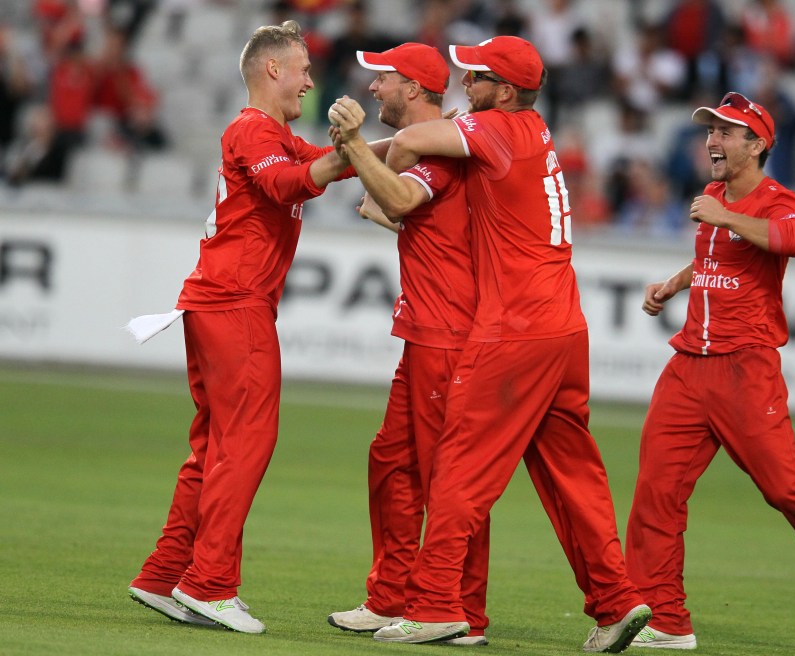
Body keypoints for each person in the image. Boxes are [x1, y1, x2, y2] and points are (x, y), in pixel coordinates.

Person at [331, 35, 651, 652]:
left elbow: (408, 154)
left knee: (459, 470)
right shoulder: (529, 128)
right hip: (563, 323)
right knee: (571, 476)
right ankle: (616, 598)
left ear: (504, 92)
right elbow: (408, 161)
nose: (465, 85)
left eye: (475, 77)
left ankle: (437, 606)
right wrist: (367, 153)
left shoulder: (494, 129)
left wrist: (365, 145)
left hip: (516, 327)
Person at [126, 19, 385, 634]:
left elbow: (329, 163)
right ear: (273, 69)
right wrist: (351, 148)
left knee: (214, 449)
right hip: (234, 304)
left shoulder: (273, 134)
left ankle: (165, 574)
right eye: (302, 70)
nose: (310, 82)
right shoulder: (253, 130)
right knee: (246, 443)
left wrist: (398, 143)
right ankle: (209, 584)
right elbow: (285, 183)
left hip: (217, 303)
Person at [625, 91, 795, 649]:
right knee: (656, 492)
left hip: (745, 369)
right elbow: (714, 258)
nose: (712, 141)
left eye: (725, 132)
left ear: (757, 145)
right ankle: (666, 620)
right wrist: (675, 283)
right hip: (688, 367)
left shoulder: (776, 199)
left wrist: (725, 216)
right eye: (711, 131)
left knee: (786, 490)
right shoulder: (712, 196)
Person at [324, 42, 490, 646]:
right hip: (427, 330)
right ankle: (391, 595)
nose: (373, 87)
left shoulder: (440, 150)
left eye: (384, 78)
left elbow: (400, 197)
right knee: (393, 461)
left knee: (451, 477)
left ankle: (459, 608)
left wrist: (353, 145)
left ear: (415, 88)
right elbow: (417, 211)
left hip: (448, 336)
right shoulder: (432, 145)